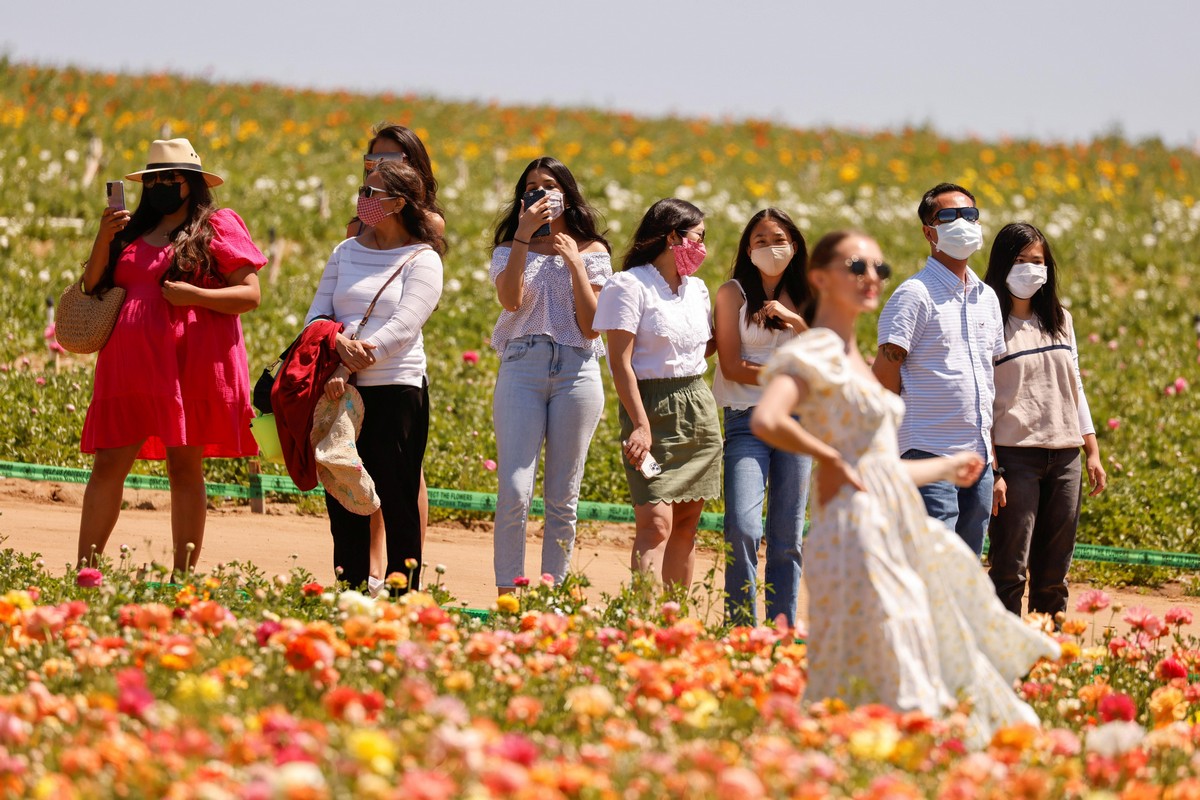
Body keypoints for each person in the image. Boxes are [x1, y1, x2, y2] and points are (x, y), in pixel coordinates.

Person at [751, 230, 1059, 747]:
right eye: (856, 266)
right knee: (888, 646)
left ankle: (873, 755)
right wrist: (828, 455)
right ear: (820, 278)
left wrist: (944, 467)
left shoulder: (852, 357)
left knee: (903, 644)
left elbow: (879, 469)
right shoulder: (820, 349)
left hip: (889, 519)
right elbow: (767, 418)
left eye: (878, 268)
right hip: (852, 528)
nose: (871, 277)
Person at [77, 138, 265, 575]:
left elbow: (250, 294)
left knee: (184, 468)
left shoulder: (217, 225)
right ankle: (85, 573)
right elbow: (91, 287)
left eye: (171, 178)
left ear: (192, 183)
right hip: (128, 365)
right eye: (154, 178)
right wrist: (104, 237)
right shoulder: (128, 229)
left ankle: (182, 577)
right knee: (108, 463)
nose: (161, 185)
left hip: (189, 365)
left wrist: (193, 296)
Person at [307, 159, 444, 591]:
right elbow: (317, 316)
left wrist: (346, 363)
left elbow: (404, 327)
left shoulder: (423, 258)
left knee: (397, 495)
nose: (362, 201)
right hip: (339, 393)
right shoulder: (344, 252)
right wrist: (334, 348)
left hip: (395, 390)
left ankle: (402, 595)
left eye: (372, 195)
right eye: (362, 192)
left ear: (399, 204)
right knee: (344, 492)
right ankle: (349, 589)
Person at [489, 157, 612, 592]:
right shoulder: (508, 247)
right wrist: (523, 236)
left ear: (567, 192)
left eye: (549, 184)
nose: (540, 192)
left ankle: (552, 595)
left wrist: (576, 263)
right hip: (522, 364)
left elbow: (591, 325)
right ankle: (509, 593)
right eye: (531, 186)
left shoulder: (593, 250)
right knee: (515, 491)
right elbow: (510, 301)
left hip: (577, 370)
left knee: (563, 497)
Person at [593, 198, 721, 590]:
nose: (702, 247)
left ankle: (675, 621)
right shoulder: (627, 285)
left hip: (698, 410)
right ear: (672, 236)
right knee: (655, 524)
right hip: (650, 410)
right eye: (697, 237)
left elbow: (702, 349)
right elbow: (620, 362)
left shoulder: (697, 290)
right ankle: (642, 620)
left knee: (686, 526)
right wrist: (641, 426)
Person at [983, 222, 1107, 618]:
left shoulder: (1060, 319)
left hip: (1066, 454)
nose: (1030, 269)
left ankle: (1049, 657)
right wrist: (995, 468)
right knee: (1010, 567)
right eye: (1020, 261)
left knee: (1054, 571)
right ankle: (1005, 655)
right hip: (1016, 457)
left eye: (1037, 261)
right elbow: (981, 401)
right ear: (1002, 263)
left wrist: (1091, 450)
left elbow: (1075, 387)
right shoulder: (988, 323)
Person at [873, 183, 1004, 556]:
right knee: (930, 563)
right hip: (927, 454)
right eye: (948, 216)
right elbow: (884, 378)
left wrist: (996, 465)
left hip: (978, 458)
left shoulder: (987, 297)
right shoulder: (915, 295)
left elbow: (986, 382)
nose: (962, 223)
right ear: (928, 232)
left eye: (969, 215)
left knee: (965, 566)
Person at [346, 124, 442, 595]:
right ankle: (373, 567)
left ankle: (406, 576)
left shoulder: (427, 227)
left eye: (393, 161)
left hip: (396, 365)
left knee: (403, 480)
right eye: (374, 159)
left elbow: (418, 303)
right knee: (360, 475)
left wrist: (365, 351)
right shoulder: (359, 221)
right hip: (352, 366)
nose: (379, 167)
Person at [712, 208, 812, 627]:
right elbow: (732, 366)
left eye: (778, 239)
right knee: (744, 527)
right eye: (760, 241)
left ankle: (781, 629)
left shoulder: (811, 294)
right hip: (746, 420)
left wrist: (796, 321)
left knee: (788, 537)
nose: (771, 248)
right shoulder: (732, 294)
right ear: (747, 249)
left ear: (794, 244)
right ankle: (740, 629)